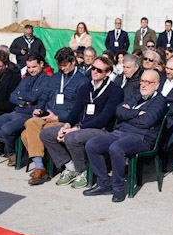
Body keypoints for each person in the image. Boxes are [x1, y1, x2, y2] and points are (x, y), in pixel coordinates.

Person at [83, 70, 167, 202]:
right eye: (142, 81)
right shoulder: (137, 95)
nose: (143, 85)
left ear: (156, 85)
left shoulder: (160, 101)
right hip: (121, 132)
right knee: (92, 144)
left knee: (116, 148)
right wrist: (136, 113)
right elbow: (119, 111)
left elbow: (147, 121)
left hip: (142, 137)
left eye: (148, 82)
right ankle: (104, 183)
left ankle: (118, 189)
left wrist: (128, 114)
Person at [45, 55, 124, 189]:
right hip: (81, 126)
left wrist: (77, 128)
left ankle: (83, 171)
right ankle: (70, 166)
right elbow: (75, 111)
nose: (94, 72)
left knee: (72, 137)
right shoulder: (85, 87)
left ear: (108, 73)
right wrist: (66, 125)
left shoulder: (115, 91)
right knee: (46, 134)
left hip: (101, 128)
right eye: (93, 68)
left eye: (99, 70)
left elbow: (104, 118)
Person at [22, 48, 87, 185]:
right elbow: (44, 96)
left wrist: (57, 117)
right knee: (31, 123)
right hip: (47, 114)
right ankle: (41, 167)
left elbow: (78, 108)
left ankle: (41, 167)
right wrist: (39, 108)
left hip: (63, 118)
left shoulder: (82, 81)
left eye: (65, 65)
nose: (62, 68)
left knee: (26, 135)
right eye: (60, 65)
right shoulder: (56, 77)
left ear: (73, 62)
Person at [0, 54, 51, 162]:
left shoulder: (46, 80)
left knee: (6, 128)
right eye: (28, 67)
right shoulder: (25, 79)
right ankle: (14, 142)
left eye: (34, 67)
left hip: (29, 114)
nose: (31, 70)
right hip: (17, 110)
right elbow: (12, 96)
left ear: (41, 64)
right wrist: (23, 102)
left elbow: (33, 97)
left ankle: (12, 153)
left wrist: (21, 96)